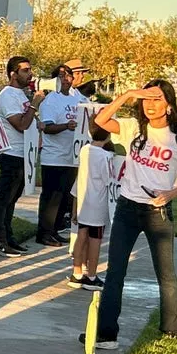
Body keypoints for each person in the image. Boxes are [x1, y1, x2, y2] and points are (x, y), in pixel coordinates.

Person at [84, 80, 177, 350]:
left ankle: (172, 328)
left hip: (158, 212)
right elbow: (101, 120)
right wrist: (127, 95)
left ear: (169, 105)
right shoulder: (134, 128)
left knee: (166, 273)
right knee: (115, 273)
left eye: (157, 98)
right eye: (146, 99)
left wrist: (170, 193)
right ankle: (106, 333)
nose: (150, 104)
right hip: (127, 208)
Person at [0, 56, 46, 259]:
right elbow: (20, 124)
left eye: (30, 70)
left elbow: (28, 122)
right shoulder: (7, 96)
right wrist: (34, 105)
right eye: (25, 70)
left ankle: (9, 236)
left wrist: (37, 122)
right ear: (13, 74)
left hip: (24, 154)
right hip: (11, 152)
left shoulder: (21, 95)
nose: (30, 74)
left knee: (13, 199)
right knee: (4, 199)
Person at [36, 63, 80, 246]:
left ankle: (54, 230)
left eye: (69, 75)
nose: (66, 79)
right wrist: (66, 126)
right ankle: (44, 233)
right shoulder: (50, 100)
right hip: (54, 156)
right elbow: (47, 127)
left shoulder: (74, 99)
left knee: (63, 197)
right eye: (61, 76)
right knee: (51, 197)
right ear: (53, 80)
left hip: (71, 156)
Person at [69, 122, 114, 290]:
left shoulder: (84, 150)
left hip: (83, 202)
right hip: (97, 204)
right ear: (109, 135)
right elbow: (108, 179)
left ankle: (77, 272)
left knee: (81, 237)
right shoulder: (105, 156)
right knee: (95, 240)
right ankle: (92, 275)